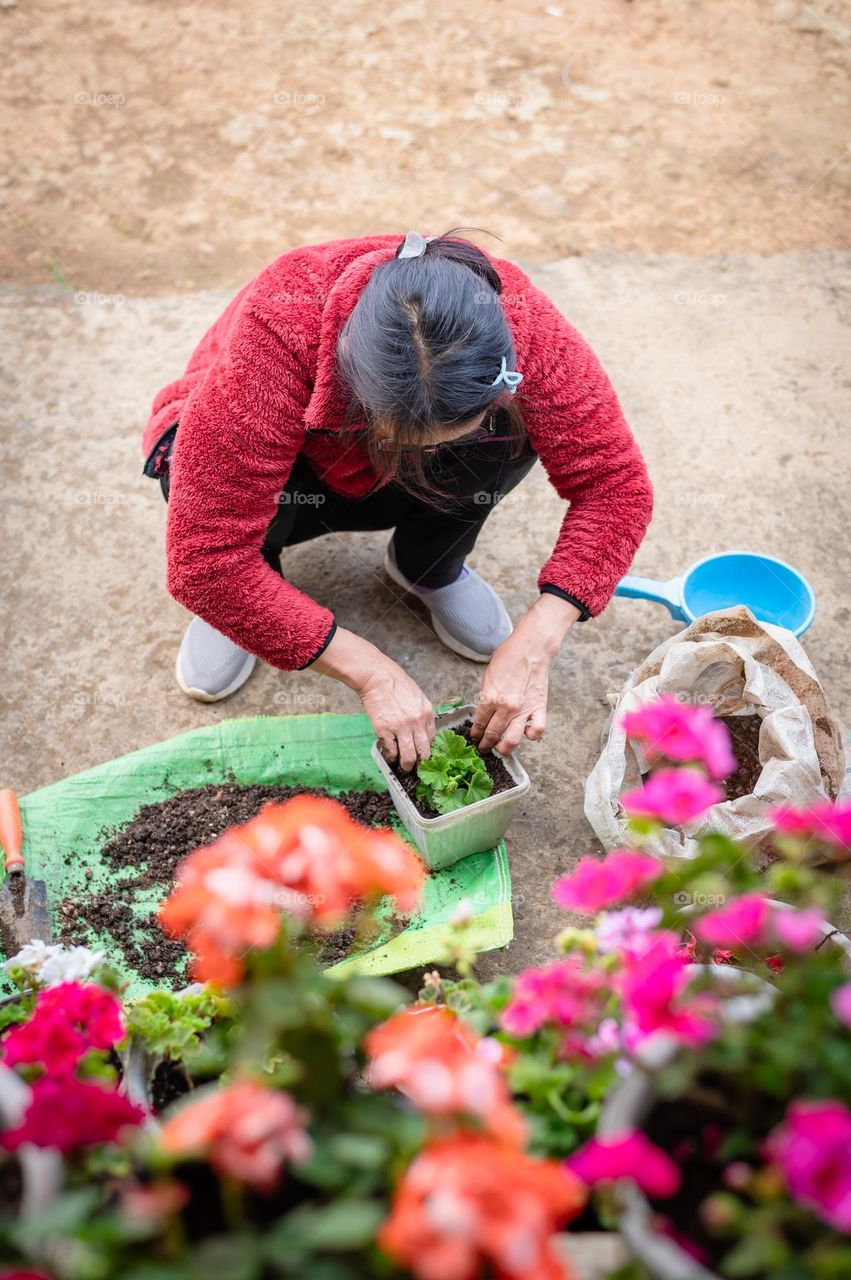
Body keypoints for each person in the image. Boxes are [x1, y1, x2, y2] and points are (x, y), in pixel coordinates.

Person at [143, 231, 652, 771]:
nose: (422, 452)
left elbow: (615, 484)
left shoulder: (520, 319)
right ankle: (255, 586)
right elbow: (205, 561)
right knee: (192, 469)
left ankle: (427, 565)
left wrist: (540, 638)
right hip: (301, 477)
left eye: (443, 437)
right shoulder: (281, 323)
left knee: (519, 429)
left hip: (402, 482)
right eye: (407, 440)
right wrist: (370, 671)